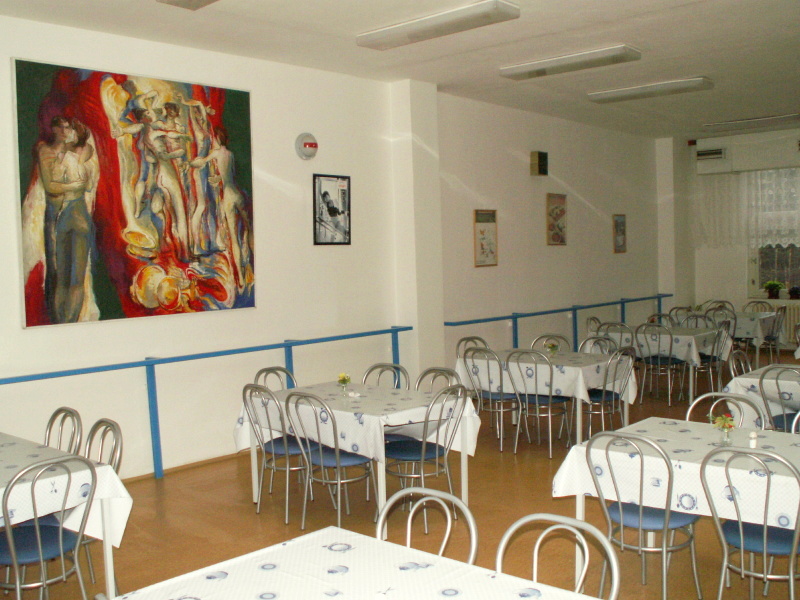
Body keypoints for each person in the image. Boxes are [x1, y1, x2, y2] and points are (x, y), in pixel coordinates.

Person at [37, 116, 98, 323]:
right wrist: (74, 186)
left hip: (75, 215)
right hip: (59, 216)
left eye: (68, 128)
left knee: (74, 278)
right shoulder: (47, 151)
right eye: (61, 127)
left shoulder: (79, 152)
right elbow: (51, 186)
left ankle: (69, 323)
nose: (65, 132)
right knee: (60, 277)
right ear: (53, 129)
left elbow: (85, 181)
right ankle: (62, 324)